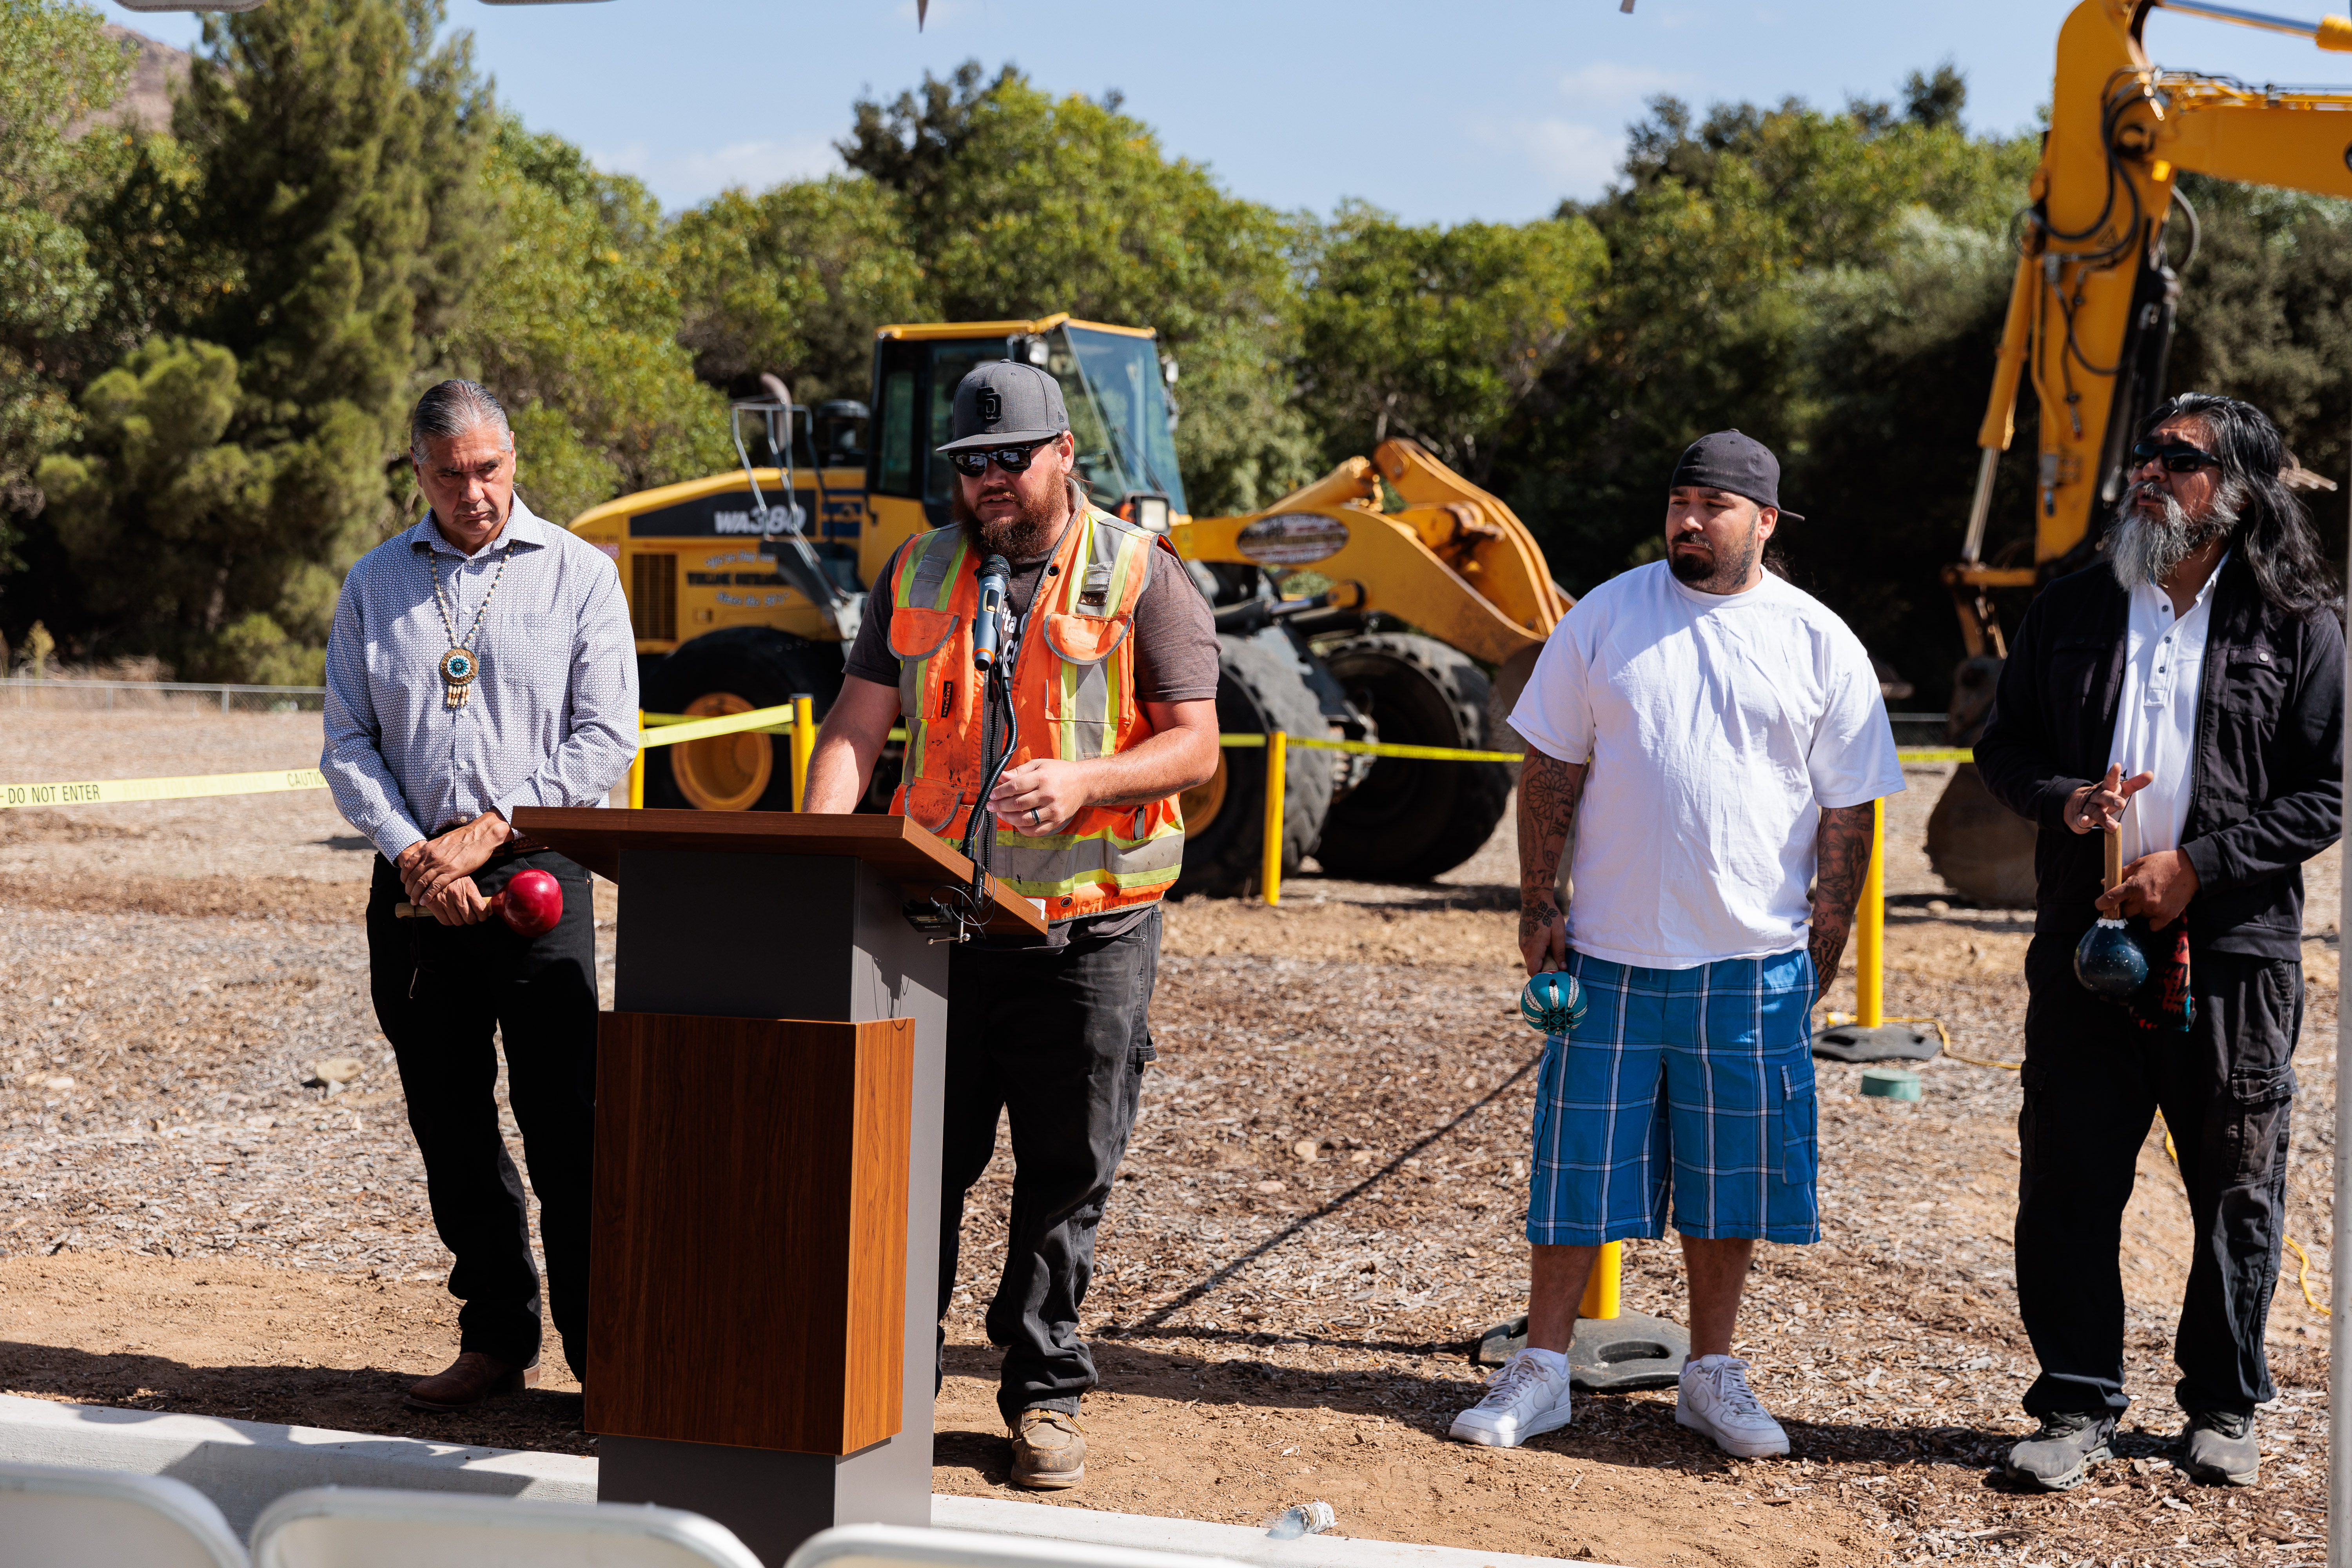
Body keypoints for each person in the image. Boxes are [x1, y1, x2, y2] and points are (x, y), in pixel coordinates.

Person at [803, 361, 1220, 1490]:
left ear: (1063, 454)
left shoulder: (1142, 576)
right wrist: (812, 857)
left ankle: (1043, 1393)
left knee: (1063, 1173)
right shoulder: (920, 568)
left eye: (1009, 458)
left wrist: (1089, 781)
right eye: (970, 462)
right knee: (915, 1167)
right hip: (938, 921)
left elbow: (1197, 747)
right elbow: (854, 726)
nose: (987, 479)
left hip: (1089, 933)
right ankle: (891, 1386)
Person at [1449, 430, 1902, 1456]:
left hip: (1751, 965)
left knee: (1728, 1178)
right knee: (1575, 1174)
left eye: (1715, 506)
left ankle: (1712, 1374)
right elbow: (1552, 769)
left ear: (1766, 522)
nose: (1690, 522)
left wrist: (1820, 960)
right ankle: (1543, 1370)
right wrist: (1537, 906)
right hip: (1607, 956)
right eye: (1680, 502)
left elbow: (1850, 815)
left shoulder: (1817, 640)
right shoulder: (1606, 617)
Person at [1976, 393, 2343, 1491]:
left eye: (2177, 459)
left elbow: (2327, 793)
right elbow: (2005, 749)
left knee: (2237, 1185)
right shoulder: (2073, 608)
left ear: (2237, 491)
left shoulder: (2297, 621)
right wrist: (2067, 801)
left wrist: (2198, 867)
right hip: (2086, 946)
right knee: (2069, 1180)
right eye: (2145, 452)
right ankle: (2077, 1402)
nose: (2147, 470)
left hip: (2234, 953)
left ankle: (2225, 1401)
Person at [321, 379, 638, 1411]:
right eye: (451, 474)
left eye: (489, 469)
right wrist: (417, 856)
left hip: (538, 866)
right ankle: (497, 1337)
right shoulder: (373, 584)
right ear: (418, 473)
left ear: (515, 457)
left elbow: (604, 739)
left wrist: (484, 835)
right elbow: (348, 743)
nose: (474, 492)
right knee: (451, 1126)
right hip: (415, 886)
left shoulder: (581, 578)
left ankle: (607, 1361)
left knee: (567, 1127)